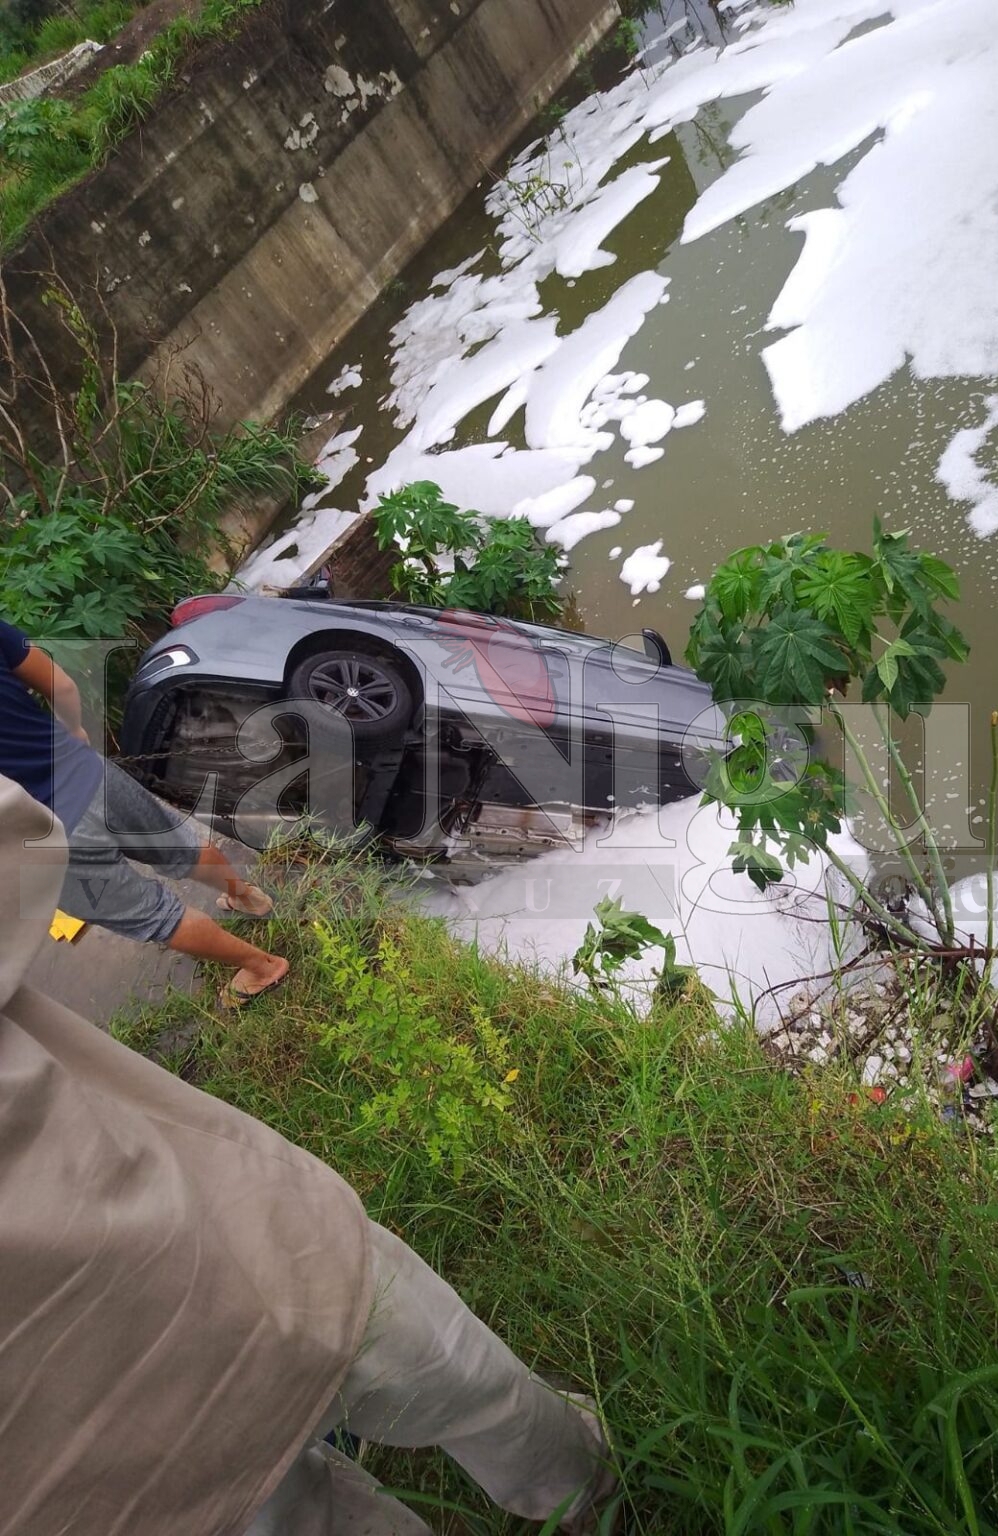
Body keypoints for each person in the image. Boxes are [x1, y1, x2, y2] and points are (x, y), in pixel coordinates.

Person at [0, 773, 616, 1535]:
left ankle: (579, 1486)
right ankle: (589, 1492)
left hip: (88, 1479)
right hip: (209, 1241)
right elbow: (20, 842)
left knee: (304, 1498)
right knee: (452, 1374)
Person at [0, 617, 288, 1004]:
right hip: (90, 773)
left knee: (155, 916)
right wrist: (75, 737)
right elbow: (61, 685)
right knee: (180, 847)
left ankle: (262, 967)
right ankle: (247, 897)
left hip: (41, 833)